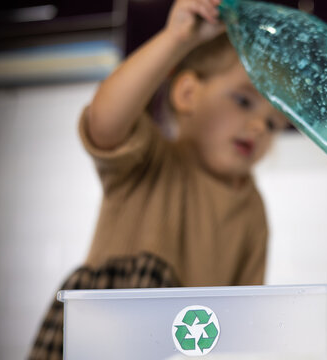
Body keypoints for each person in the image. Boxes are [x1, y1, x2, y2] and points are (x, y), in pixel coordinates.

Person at [29, 0, 288, 358]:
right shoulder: (151, 157)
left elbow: (247, 314)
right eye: (244, 101)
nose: (260, 127)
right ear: (187, 94)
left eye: (274, 123)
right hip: (100, 336)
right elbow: (103, 121)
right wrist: (175, 40)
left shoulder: (253, 211)